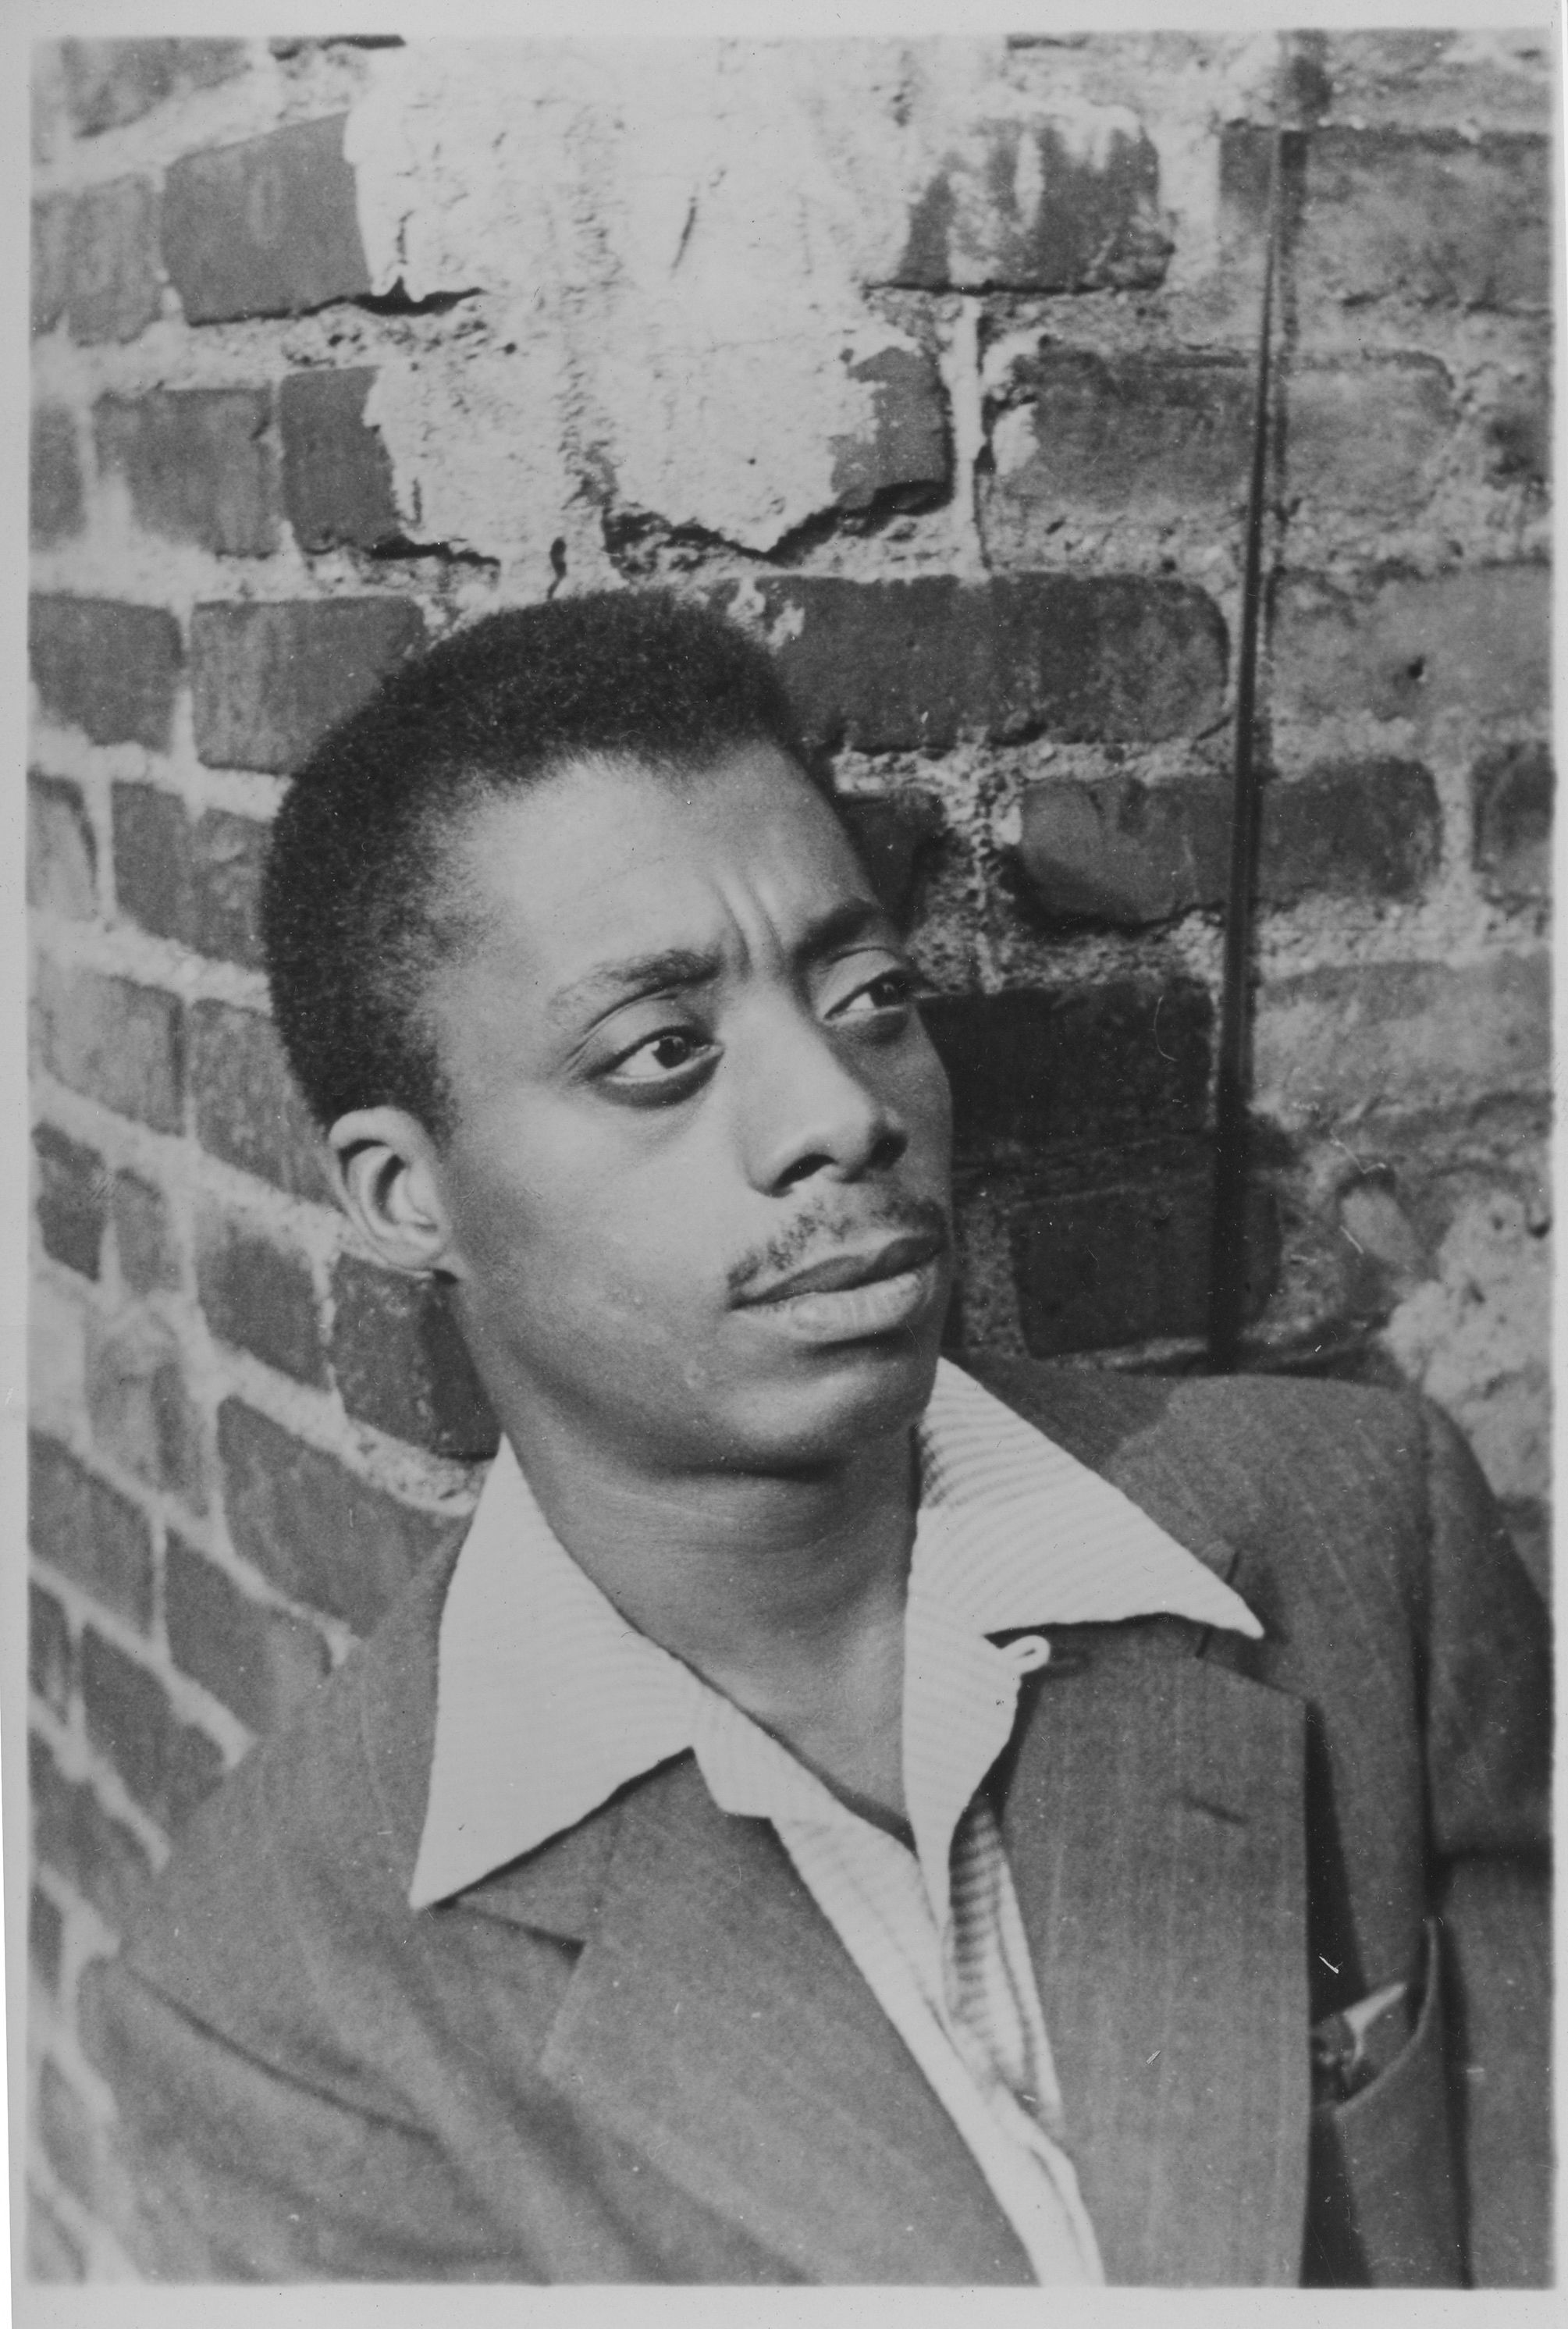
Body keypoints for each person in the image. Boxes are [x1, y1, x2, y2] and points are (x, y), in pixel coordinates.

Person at [85, 592, 1549, 2287]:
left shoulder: (1359, 1530)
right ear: (409, 1194)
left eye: (868, 992)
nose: (845, 1113)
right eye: (660, 1052)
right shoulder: (279, 1997)